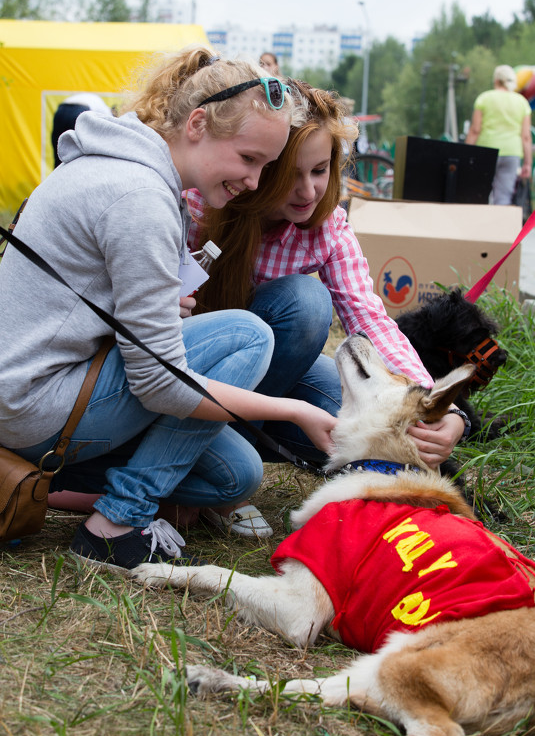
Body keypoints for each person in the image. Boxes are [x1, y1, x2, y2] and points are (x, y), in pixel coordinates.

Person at [0, 47, 337, 571]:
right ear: (197, 122)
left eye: (266, 166)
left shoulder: (124, 167)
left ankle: (35, 477)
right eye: (249, 159)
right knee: (247, 337)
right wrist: (294, 409)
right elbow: (160, 382)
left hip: (34, 392)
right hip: (34, 402)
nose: (254, 181)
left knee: (236, 476)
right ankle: (116, 524)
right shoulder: (138, 196)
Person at [183, 80, 466, 534]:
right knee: (306, 302)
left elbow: (368, 318)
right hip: (202, 370)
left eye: (319, 170)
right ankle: (212, 450)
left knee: (361, 426)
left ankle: (234, 442)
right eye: (290, 173)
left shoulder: (327, 223)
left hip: (274, 372)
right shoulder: (207, 200)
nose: (307, 191)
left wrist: (435, 407)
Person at [465, 65, 532, 205]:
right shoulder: (521, 102)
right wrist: (527, 162)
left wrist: (465, 153)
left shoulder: (484, 98)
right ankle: (498, 226)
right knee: (504, 197)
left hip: (486, 151)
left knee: (479, 194)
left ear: (496, 80)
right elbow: (525, 136)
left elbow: (475, 130)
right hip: (512, 153)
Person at [51, 92, 112, 168]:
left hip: (62, 109)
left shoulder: (96, 101)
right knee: (79, 152)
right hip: (79, 110)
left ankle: (56, 174)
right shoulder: (107, 112)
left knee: (58, 148)